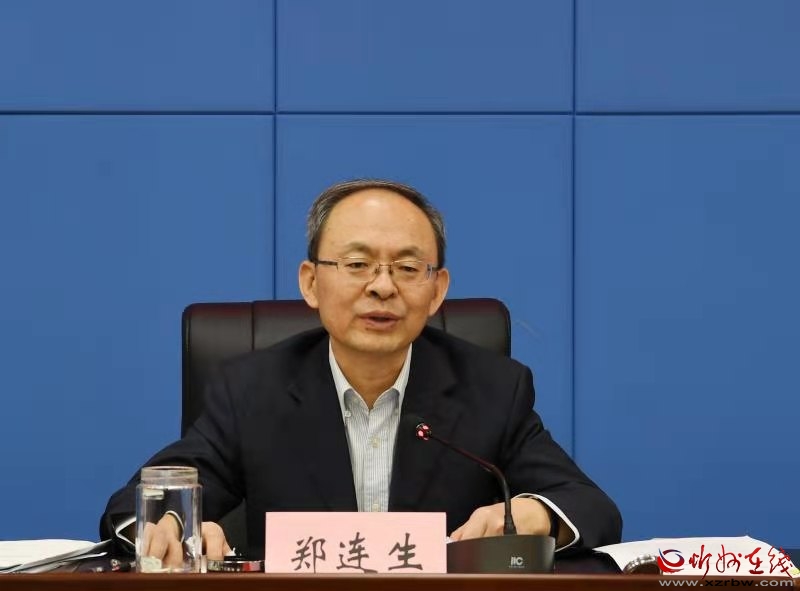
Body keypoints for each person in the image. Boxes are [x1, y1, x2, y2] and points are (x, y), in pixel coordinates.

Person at [101, 179, 622, 565]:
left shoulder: (492, 389)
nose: (382, 286)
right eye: (357, 264)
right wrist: (171, 525)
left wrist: (536, 514)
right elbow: (133, 506)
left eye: (408, 268)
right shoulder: (251, 391)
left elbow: (591, 507)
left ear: (437, 291)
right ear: (311, 283)